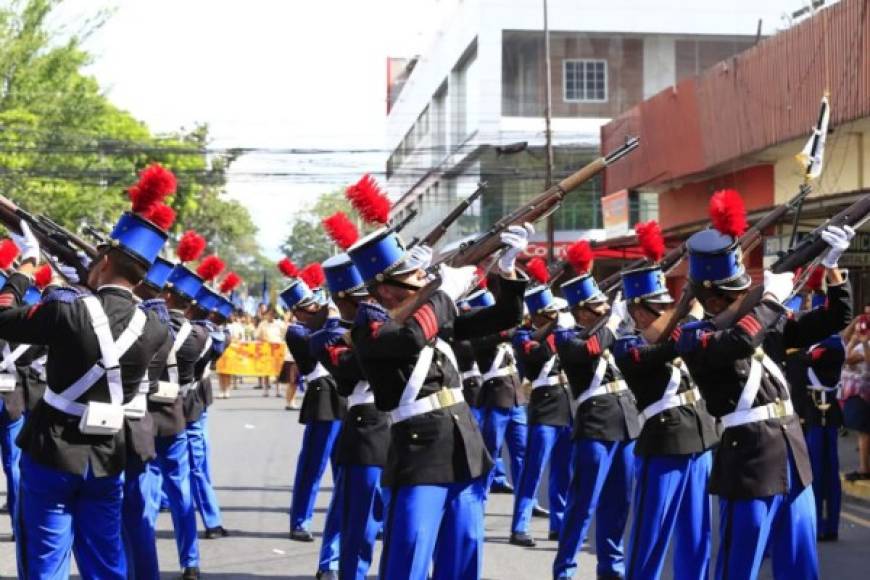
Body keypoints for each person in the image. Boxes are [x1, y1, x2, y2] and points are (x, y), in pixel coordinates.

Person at [673, 189, 854, 580]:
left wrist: (832, 267)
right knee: (739, 567)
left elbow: (832, 320)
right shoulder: (693, 336)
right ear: (711, 296)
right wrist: (770, 299)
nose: (744, 297)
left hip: (792, 453)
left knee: (801, 565)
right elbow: (739, 341)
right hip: (749, 461)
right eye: (736, 294)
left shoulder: (762, 323)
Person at [0, 183, 172, 578]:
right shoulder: (157, 326)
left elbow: (3, 313)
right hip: (108, 454)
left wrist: (26, 267)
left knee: (46, 563)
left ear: (105, 261)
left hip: (52, 450)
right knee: (105, 562)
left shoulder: (68, 310)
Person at [348, 224, 528, 580]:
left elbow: (504, 318)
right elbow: (409, 338)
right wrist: (443, 292)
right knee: (409, 557)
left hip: (465, 448)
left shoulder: (433, 315)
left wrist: (505, 270)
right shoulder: (369, 322)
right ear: (385, 288)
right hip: (420, 454)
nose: (422, 275)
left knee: (463, 554)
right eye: (411, 273)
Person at [614, 260, 718, 580]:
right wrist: (692, 314)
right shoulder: (626, 347)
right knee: (651, 538)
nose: (664, 312)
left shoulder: (671, 333)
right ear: (639, 311)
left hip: (700, 442)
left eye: (667, 306)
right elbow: (670, 347)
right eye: (659, 308)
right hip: (664, 445)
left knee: (697, 538)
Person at [552, 273, 639, 580]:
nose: (607, 308)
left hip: (626, 423)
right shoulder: (567, 336)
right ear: (583, 311)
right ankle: (565, 569)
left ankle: (611, 568)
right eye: (600, 304)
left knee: (619, 503)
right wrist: (612, 322)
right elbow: (586, 350)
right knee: (583, 504)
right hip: (596, 425)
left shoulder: (615, 331)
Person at [312, 250, 390, 580]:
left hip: (405, 427)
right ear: (343, 300)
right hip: (368, 429)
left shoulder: (388, 324)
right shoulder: (328, 337)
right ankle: (338, 567)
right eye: (364, 298)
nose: (371, 303)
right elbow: (363, 365)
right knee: (359, 519)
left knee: (400, 522)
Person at [135, 255, 201, 579]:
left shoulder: (142, 324)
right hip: (174, 412)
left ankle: (146, 561)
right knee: (180, 491)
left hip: (144, 412)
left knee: (145, 493)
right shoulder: (199, 335)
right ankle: (190, 561)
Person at [280, 270, 345, 578]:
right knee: (313, 466)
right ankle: (300, 520)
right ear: (298, 311)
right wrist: (330, 316)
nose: (315, 311)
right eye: (310, 308)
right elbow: (319, 344)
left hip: (344, 397)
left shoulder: (330, 324)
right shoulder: (296, 331)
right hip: (322, 398)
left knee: (346, 468)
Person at [509, 286, 573, 547]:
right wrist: (555, 327)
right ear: (535, 316)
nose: (552, 318)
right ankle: (519, 526)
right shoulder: (522, 336)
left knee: (563, 471)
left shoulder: (561, 333)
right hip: (544, 408)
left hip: (566, 407)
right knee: (533, 470)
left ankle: (558, 524)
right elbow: (537, 353)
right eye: (548, 314)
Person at [841, 308, 870, 480]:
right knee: (863, 431)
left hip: (864, 392)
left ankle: (864, 469)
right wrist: (855, 323)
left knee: (864, 432)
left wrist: (863, 343)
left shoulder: (865, 343)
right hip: (855, 392)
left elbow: (849, 359)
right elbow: (843, 338)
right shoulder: (859, 339)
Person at [255, 308, 284, 397]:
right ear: (266, 314)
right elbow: (256, 335)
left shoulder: (279, 324)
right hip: (266, 349)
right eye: (269, 314)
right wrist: (262, 338)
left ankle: (278, 390)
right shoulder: (262, 324)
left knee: (278, 371)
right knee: (266, 370)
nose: (270, 316)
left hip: (277, 349)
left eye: (272, 314)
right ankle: (266, 390)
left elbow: (284, 335)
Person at [280, 310, 300, 409]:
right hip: (290, 357)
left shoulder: (298, 326)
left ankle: (292, 400)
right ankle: (289, 402)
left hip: (297, 357)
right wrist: (286, 319)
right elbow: (284, 330)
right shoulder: (287, 327)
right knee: (292, 381)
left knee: (295, 382)